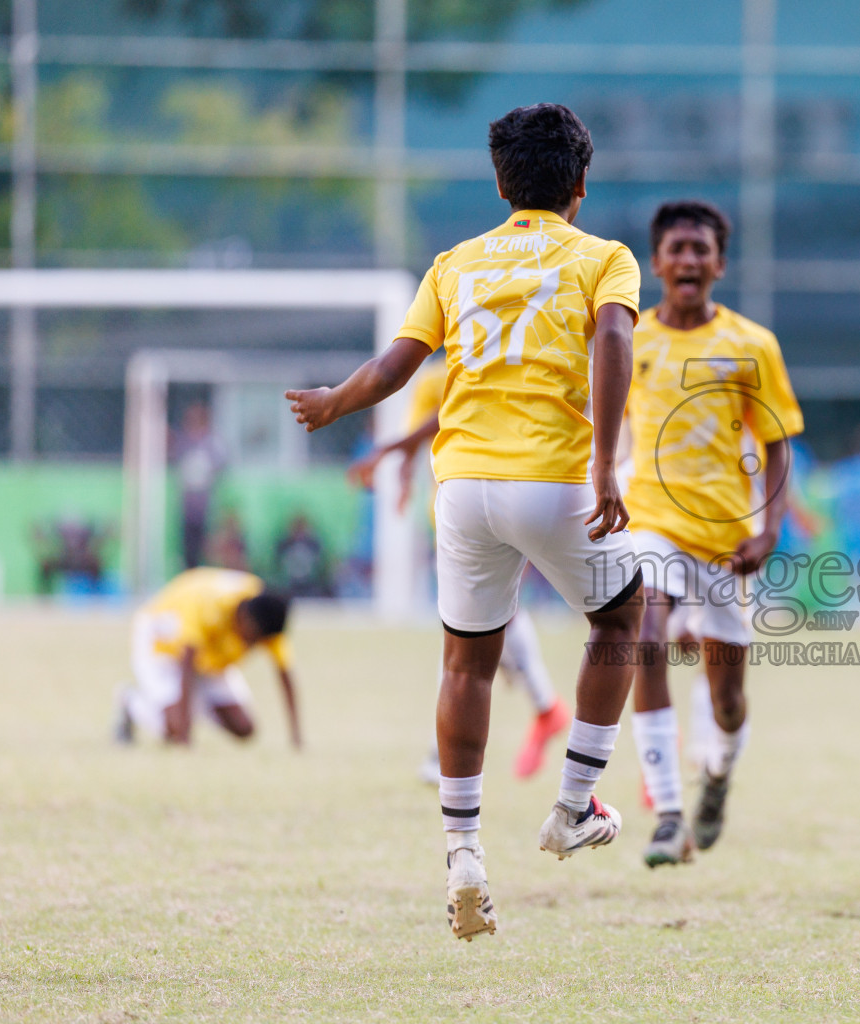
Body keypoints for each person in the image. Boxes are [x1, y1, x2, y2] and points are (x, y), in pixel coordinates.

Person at [286, 102, 644, 942]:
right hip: (554, 480)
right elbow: (617, 345)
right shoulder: (605, 258)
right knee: (623, 619)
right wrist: (603, 461)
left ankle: (464, 855)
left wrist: (335, 401)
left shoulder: (456, 263)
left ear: (499, 182)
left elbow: (395, 367)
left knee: (468, 664)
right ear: (581, 187)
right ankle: (571, 805)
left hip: (465, 487)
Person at [622, 200, 804, 867]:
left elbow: (778, 442)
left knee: (727, 699)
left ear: (719, 264)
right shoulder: (631, 338)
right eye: (678, 248)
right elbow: (605, 426)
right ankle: (668, 812)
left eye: (702, 249)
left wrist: (769, 528)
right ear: (657, 262)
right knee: (645, 631)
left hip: (728, 541)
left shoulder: (751, 345)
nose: (689, 260)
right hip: (652, 524)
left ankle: (718, 775)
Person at [347, 360, 570, 783]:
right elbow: (423, 434)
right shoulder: (440, 376)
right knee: (484, 623)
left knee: (462, 633)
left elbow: (446, 416)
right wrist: (405, 476)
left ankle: (443, 754)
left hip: (500, 502)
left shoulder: (497, 363)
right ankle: (545, 706)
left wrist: (393, 457)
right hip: (465, 512)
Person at [113, 568, 299, 749]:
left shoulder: (267, 614)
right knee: (172, 730)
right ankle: (130, 702)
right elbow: (186, 663)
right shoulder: (210, 605)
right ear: (245, 618)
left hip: (208, 655)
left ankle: (193, 706)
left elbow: (284, 674)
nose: (251, 646)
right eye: (252, 639)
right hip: (162, 643)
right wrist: (184, 735)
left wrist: (296, 737)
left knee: (245, 729)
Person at [173, 402, 225, 569]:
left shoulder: (211, 443)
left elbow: (220, 464)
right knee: (188, 548)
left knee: (208, 547)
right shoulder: (184, 442)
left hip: (206, 505)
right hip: (187, 505)